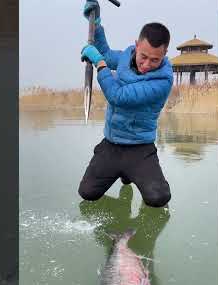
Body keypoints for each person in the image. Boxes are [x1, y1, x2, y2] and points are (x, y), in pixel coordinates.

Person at [78, 0, 174, 208]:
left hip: (140, 148)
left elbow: (118, 97)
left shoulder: (162, 81)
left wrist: (100, 65)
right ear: (136, 46)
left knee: (158, 198)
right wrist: (96, 22)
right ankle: (123, 177)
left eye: (155, 60)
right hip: (111, 143)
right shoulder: (125, 56)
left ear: (164, 55)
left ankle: (132, 174)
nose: (147, 65)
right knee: (87, 193)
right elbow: (104, 52)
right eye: (144, 56)